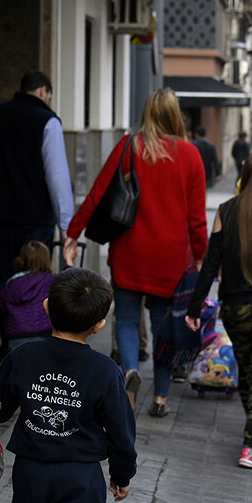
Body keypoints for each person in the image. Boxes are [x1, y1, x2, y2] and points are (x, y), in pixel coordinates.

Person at [65, 88, 207, 416]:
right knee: (162, 327)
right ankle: (160, 397)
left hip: (130, 252)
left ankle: (129, 375)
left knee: (126, 319)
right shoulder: (190, 155)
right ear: (176, 115)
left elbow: (98, 192)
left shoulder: (130, 145)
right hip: (171, 260)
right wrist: (201, 257)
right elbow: (197, 218)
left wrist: (74, 232)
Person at [0, 268, 137, 503]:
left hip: (30, 471)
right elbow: (121, 433)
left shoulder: (22, 357)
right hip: (81, 474)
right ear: (99, 325)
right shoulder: (106, 371)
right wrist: (122, 475)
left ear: (46, 306)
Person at [0, 71, 75, 357]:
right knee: (36, 284)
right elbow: (56, 176)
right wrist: (67, 225)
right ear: (44, 91)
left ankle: (8, 344)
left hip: (0, 216)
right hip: (36, 219)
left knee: (7, 283)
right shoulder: (48, 121)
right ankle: (34, 347)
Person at [186, 151, 252, 468]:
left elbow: (209, 266)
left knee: (249, 371)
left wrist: (194, 307)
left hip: (235, 309)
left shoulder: (226, 211)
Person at [0, 240, 53, 350]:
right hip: (45, 334)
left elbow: (1, 310)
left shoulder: (12, 282)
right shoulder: (50, 280)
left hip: (16, 336)